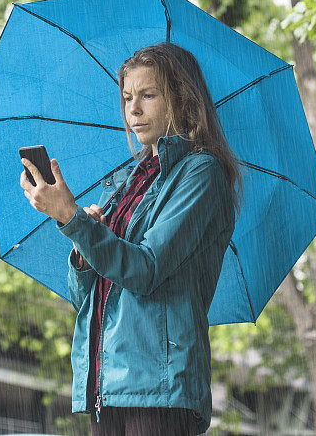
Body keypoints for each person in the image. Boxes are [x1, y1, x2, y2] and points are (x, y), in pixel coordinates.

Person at [19, 42, 241, 435]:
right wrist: (82, 244)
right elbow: (87, 298)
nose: (133, 110)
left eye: (148, 95)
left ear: (181, 99)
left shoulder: (201, 173)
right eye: (126, 97)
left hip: (160, 386)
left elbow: (146, 270)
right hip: (109, 387)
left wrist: (71, 218)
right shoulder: (126, 182)